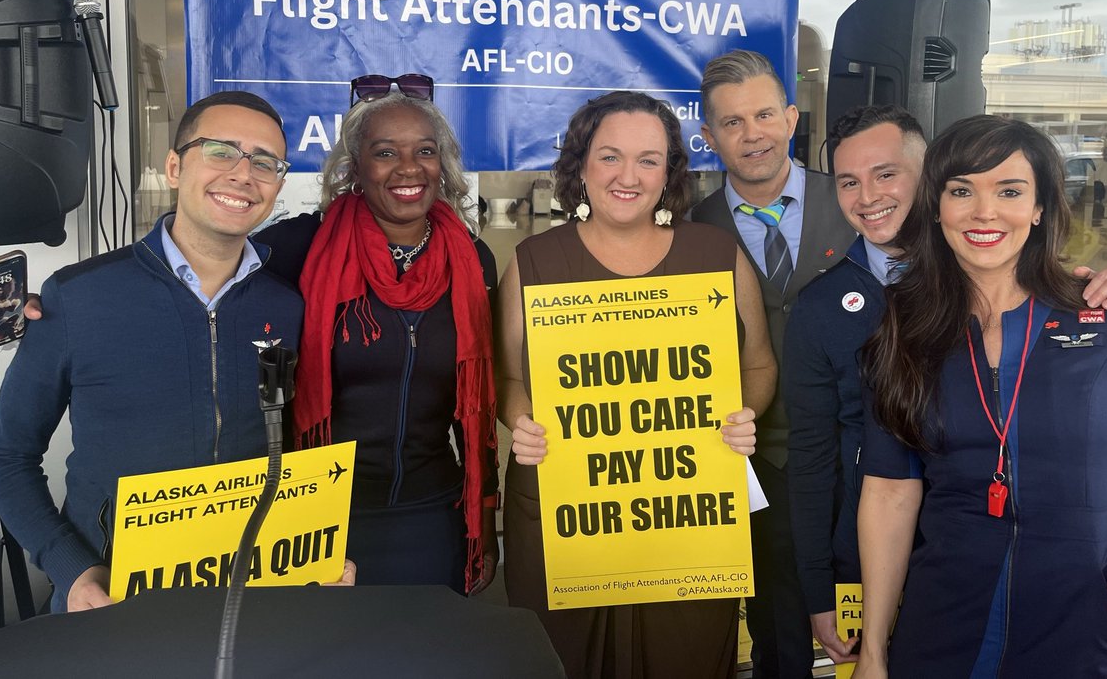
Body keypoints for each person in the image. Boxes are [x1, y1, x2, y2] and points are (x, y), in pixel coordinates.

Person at [783, 104, 1107, 665]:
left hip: (1097, 627)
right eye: (961, 191)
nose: (984, 212)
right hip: (946, 627)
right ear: (936, 208)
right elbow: (889, 493)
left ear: (1039, 208)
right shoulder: (904, 330)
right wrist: (875, 651)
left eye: (1009, 191)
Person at [0, 91, 309, 612]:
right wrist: (74, 570)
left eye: (265, 162)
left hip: (250, 597)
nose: (244, 174)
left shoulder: (288, 305)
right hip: (111, 601)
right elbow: (8, 456)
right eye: (221, 150)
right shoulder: (77, 297)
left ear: (278, 185)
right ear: (175, 167)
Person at [497, 90, 776, 678]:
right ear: (580, 165)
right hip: (567, 509)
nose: (629, 176)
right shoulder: (534, 259)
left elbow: (757, 365)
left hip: (687, 514)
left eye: (648, 159)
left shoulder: (715, 254)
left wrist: (742, 414)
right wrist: (522, 422)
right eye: (610, 157)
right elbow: (511, 377)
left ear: (670, 172)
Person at [254, 74, 498, 595]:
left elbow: (482, 398)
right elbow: (201, 279)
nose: (408, 168)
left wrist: (484, 523)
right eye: (385, 152)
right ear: (356, 166)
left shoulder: (473, 260)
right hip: (319, 517)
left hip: (433, 512)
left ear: (443, 164)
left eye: (424, 151)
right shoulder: (295, 248)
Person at [691, 49, 856, 679]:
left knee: (880, 620)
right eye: (732, 122)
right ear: (709, 138)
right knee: (778, 633)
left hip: (860, 454)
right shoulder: (687, 232)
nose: (751, 133)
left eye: (764, 114)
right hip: (754, 464)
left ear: (791, 118)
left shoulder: (855, 202)